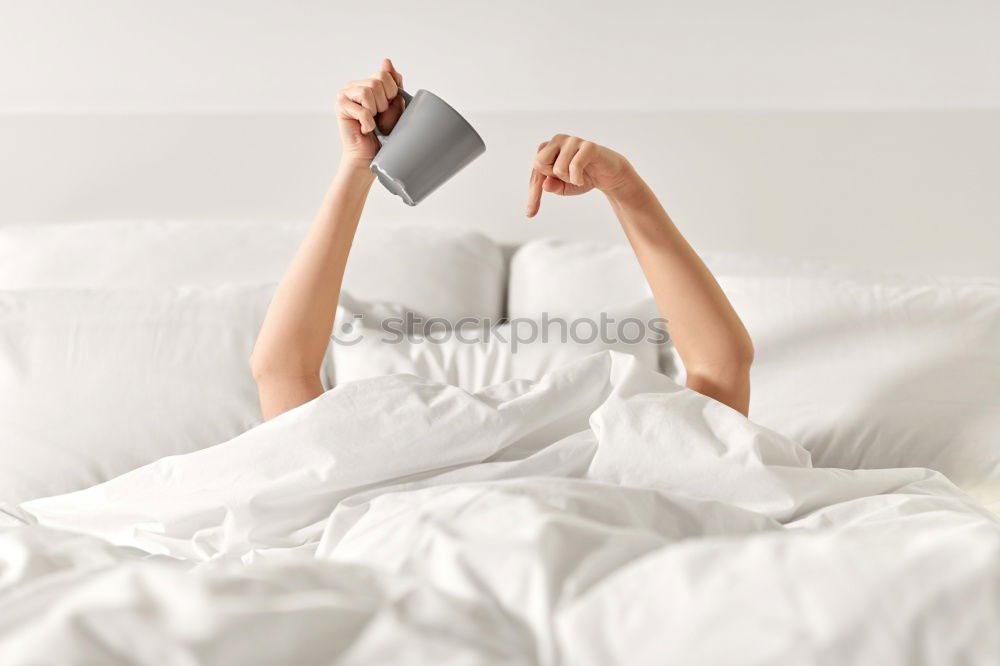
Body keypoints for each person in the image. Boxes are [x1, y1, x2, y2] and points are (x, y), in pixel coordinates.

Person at [250, 59, 754, 420]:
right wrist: (358, 165)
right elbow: (722, 367)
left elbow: (281, 373)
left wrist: (627, 189)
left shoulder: (628, 462)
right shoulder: (365, 478)